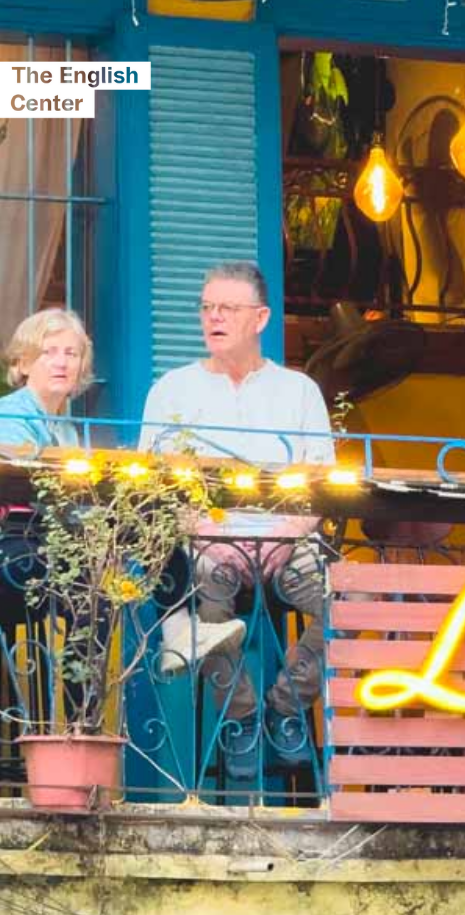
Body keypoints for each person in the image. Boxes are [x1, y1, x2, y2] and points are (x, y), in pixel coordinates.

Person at [138, 260, 334, 778]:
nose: (213, 317)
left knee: (347, 601)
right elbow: (153, 484)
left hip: (289, 542)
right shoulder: (171, 389)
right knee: (207, 594)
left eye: (227, 307)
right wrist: (205, 534)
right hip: (208, 542)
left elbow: (323, 483)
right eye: (207, 307)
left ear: (261, 318)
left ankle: (287, 707)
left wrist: (288, 535)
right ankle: (241, 716)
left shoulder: (299, 390)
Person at [0, 307, 89, 574]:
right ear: (24, 364)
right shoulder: (10, 413)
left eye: (71, 354)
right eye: (49, 352)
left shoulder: (67, 430)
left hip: (48, 550)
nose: (61, 363)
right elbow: (32, 489)